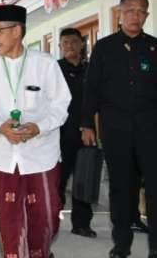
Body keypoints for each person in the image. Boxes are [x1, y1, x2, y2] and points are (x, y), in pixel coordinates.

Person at [0, 4, 71, 258]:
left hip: (41, 154)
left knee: (46, 215)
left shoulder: (44, 63)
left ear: (17, 31)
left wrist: (39, 127)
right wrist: (0, 126)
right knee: (10, 219)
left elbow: (61, 105)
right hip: (4, 155)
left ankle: (40, 252)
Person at [82, 0, 157, 258]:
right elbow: (90, 90)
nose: (136, 16)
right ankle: (121, 244)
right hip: (116, 130)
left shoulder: (154, 46)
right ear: (120, 13)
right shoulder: (104, 47)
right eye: (130, 11)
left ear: (146, 15)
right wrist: (87, 124)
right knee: (121, 188)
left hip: (151, 131)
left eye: (141, 11)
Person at [56, 28, 96, 238]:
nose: (69, 46)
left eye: (73, 42)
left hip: (86, 134)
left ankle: (81, 224)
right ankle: (51, 220)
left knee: (84, 180)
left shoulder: (91, 70)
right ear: (60, 46)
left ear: (82, 44)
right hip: (59, 136)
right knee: (57, 182)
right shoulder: (54, 70)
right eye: (65, 43)